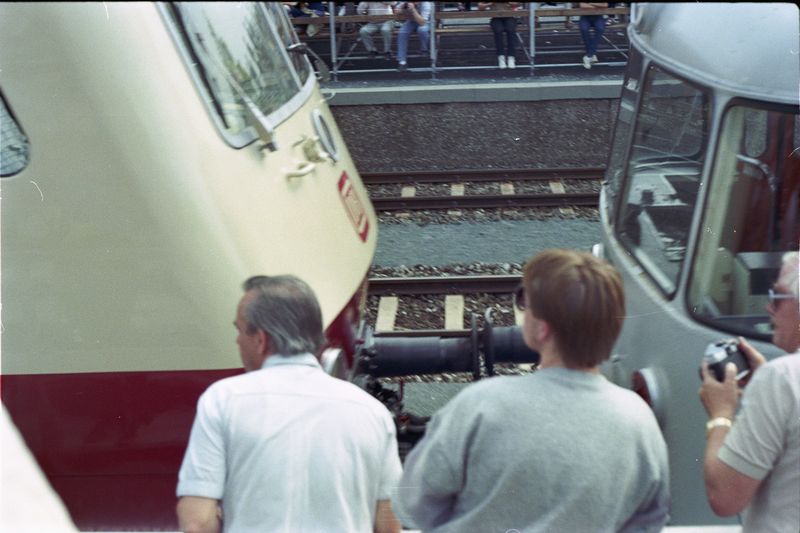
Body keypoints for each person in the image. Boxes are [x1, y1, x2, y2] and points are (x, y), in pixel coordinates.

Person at [395, 249, 670, 532]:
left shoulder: (482, 404)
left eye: (527, 303)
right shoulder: (639, 421)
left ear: (543, 329)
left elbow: (414, 504)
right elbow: (648, 521)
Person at [176, 275, 403, 533]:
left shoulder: (224, 400)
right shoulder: (371, 411)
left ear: (260, 339)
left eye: (239, 330)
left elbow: (196, 522)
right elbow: (389, 522)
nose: (237, 340)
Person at [699, 251, 800, 531]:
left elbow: (724, 497)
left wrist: (721, 415)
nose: (769, 308)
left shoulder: (781, 380)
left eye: (777, 298)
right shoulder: (780, 381)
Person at [478, 2, 521, 69]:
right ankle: (501, 57)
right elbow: (480, 7)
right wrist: (490, 3)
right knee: (498, 30)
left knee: (510, 30)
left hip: (510, 16)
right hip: (495, 17)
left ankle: (511, 57)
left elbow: (518, 4)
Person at [394, 2, 432, 72]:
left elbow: (422, 22)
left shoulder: (426, 4)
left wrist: (413, 10)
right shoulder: (407, 3)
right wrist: (401, 10)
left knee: (422, 30)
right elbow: (396, 11)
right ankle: (402, 62)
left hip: (425, 22)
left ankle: (424, 50)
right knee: (402, 32)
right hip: (411, 22)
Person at [578, 2, 607, 69]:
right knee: (584, 29)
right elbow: (582, 5)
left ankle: (588, 56)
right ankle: (592, 54)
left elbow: (605, 5)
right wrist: (597, 5)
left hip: (598, 16)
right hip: (585, 16)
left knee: (600, 29)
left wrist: (590, 3)